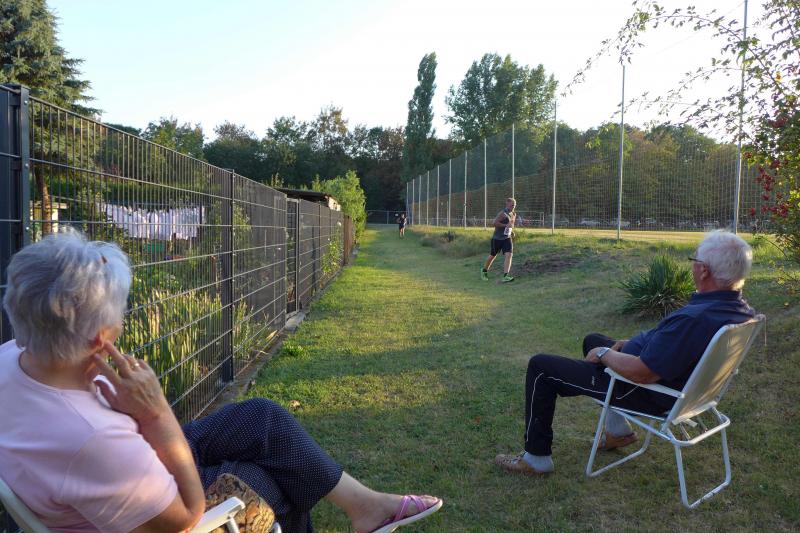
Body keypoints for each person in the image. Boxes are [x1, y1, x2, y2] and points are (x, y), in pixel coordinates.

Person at [0, 230, 442, 533]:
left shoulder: (9, 359)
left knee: (261, 418)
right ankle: (365, 512)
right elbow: (185, 517)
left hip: (120, 473)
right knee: (263, 480)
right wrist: (157, 415)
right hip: (146, 502)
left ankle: (366, 506)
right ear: (101, 337)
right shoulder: (94, 439)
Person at [495, 231, 757, 475]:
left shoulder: (694, 319)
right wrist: (626, 344)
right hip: (685, 389)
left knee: (541, 367)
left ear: (704, 270)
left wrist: (605, 354)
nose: (693, 265)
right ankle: (617, 431)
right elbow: (673, 345)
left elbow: (642, 373)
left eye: (694, 260)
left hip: (641, 389)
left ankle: (536, 458)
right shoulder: (738, 310)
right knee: (593, 340)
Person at [481, 198, 517, 283]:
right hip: (497, 238)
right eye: (512, 205)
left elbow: (511, 225)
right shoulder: (502, 213)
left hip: (507, 238)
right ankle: (484, 271)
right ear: (507, 204)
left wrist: (511, 232)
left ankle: (506, 276)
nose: (513, 207)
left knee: (509, 254)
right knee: (493, 255)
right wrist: (505, 225)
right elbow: (494, 223)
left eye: (514, 205)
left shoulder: (513, 214)